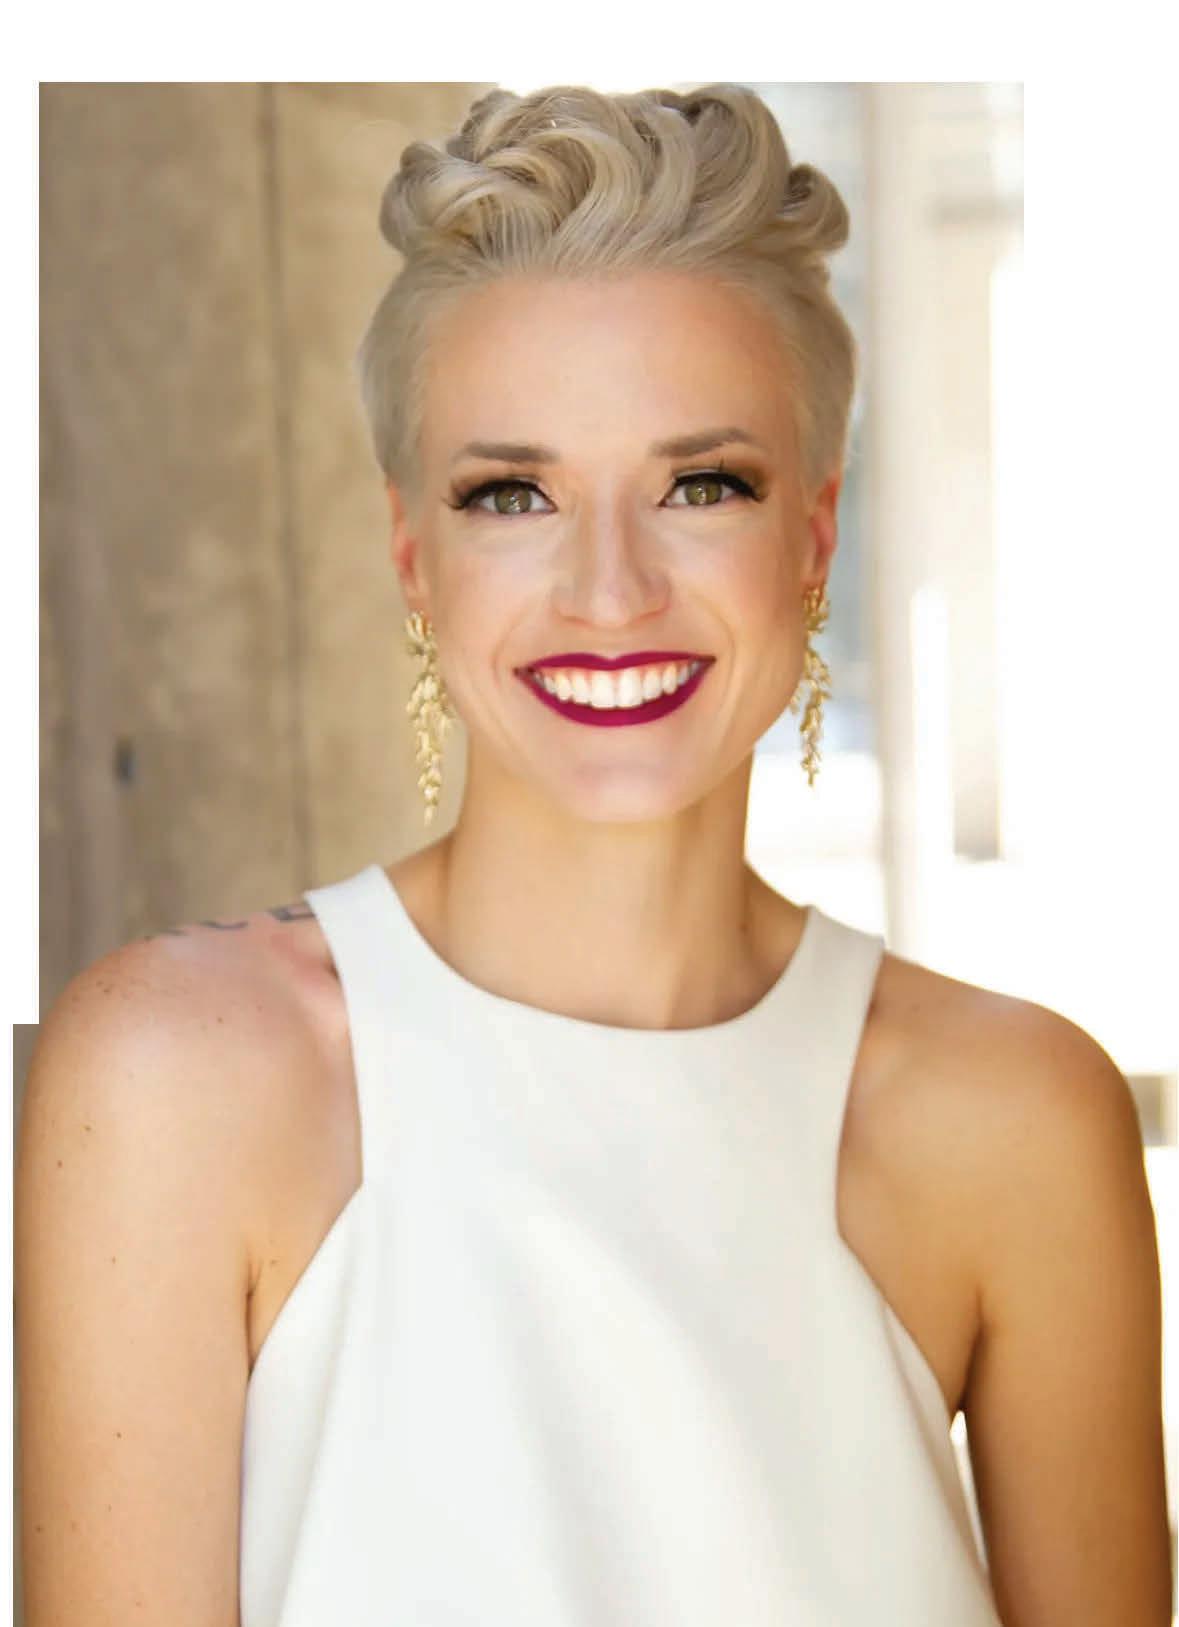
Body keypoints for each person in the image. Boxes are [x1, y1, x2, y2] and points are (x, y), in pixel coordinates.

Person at [16, 83, 1172, 1627]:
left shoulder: (1023, 1123)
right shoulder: (171, 1082)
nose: (609, 591)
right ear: (414, 557)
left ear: (814, 538)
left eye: (703, 485)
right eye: (513, 494)